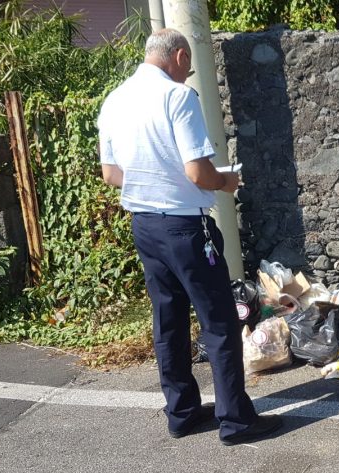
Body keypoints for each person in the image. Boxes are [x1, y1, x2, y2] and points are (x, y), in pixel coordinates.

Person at [97, 28, 282, 443]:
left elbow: (111, 175)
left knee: (169, 320)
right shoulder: (177, 96)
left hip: (143, 223)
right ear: (179, 56)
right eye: (189, 64)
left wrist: (155, 180)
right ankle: (236, 420)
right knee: (219, 320)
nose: (189, 72)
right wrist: (225, 182)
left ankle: (180, 413)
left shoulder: (114, 100)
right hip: (185, 225)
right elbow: (198, 172)